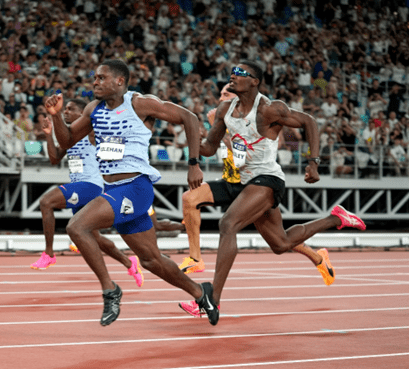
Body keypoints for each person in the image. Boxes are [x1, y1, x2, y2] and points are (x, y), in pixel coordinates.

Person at [178, 61, 367, 326]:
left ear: (255, 81)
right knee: (281, 244)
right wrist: (194, 137)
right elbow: (209, 147)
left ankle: (212, 298)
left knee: (227, 224)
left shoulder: (269, 109)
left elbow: (309, 122)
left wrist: (313, 162)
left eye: (241, 73)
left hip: (268, 180)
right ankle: (336, 218)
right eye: (233, 72)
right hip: (247, 183)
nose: (234, 75)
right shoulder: (225, 110)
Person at [44, 59, 207, 326]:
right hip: (114, 189)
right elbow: (67, 140)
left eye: (101, 78)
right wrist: (55, 115)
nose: (95, 82)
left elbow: (190, 117)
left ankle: (110, 290)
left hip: (135, 187)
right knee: (152, 260)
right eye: (94, 77)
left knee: (77, 227)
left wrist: (193, 164)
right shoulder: (93, 109)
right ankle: (201, 293)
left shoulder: (139, 104)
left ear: (119, 81)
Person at [29, 98, 144, 288]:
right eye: (65, 109)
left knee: (46, 202)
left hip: (90, 185)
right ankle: (129, 263)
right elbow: (54, 159)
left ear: (82, 114)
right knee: (95, 238)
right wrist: (49, 134)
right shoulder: (69, 136)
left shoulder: (91, 131)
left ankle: (48, 254)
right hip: (81, 186)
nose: (66, 111)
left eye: (70, 109)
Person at [179, 83, 238, 275]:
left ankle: (318, 256)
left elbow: (243, 159)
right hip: (229, 182)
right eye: (220, 94)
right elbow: (208, 150)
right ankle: (196, 259)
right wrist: (197, 134)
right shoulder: (223, 123)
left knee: (279, 241)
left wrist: (216, 128)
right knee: (190, 198)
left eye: (226, 94)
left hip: (253, 186)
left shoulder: (249, 121)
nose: (220, 99)